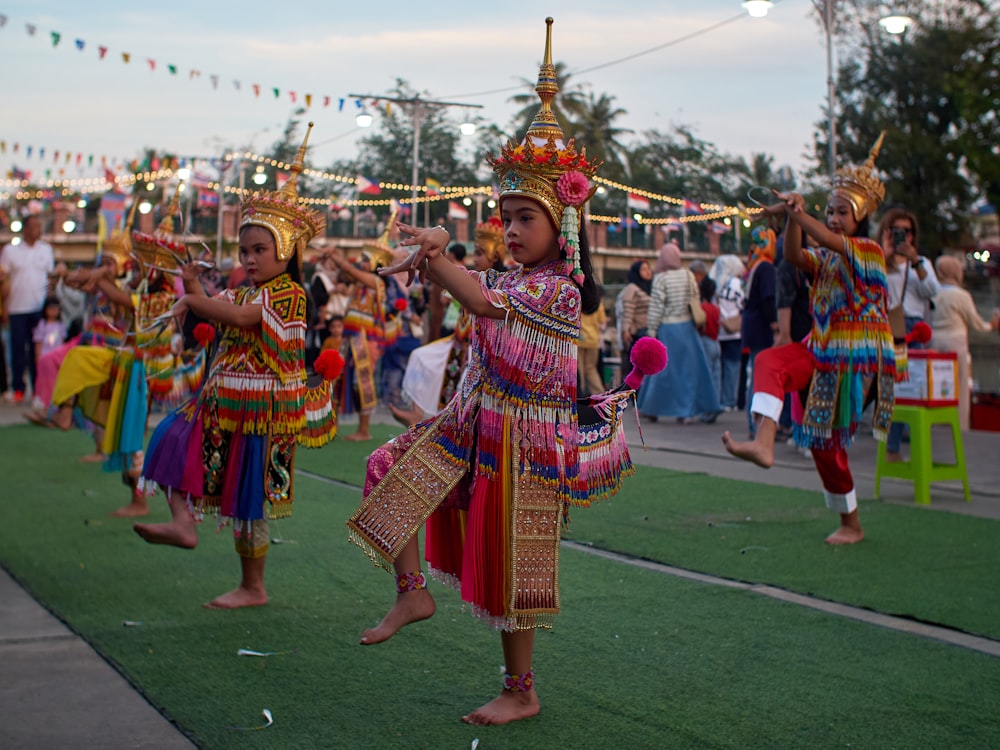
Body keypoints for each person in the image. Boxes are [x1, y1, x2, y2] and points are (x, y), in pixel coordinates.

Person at [347, 19, 634, 726]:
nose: (509, 229)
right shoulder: (512, 277)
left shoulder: (558, 289)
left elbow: (479, 298)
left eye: (524, 217)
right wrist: (432, 260)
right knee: (386, 466)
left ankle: (520, 688)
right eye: (504, 216)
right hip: (475, 423)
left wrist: (439, 251)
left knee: (516, 571)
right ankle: (412, 590)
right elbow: (473, 300)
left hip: (529, 443)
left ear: (561, 224)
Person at [135, 124, 337, 609]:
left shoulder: (288, 294)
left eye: (259, 250)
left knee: (247, 499)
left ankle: (253, 586)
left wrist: (194, 299)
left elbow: (242, 318)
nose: (248, 258)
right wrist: (191, 287)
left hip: (264, 412)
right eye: (245, 251)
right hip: (222, 401)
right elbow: (218, 305)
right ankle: (184, 523)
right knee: (167, 440)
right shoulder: (244, 289)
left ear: (285, 251)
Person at [722, 133, 897, 545]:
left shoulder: (868, 251)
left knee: (827, 445)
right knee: (769, 361)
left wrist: (796, 212)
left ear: (860, 218)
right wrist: (790, 218)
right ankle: (764, 443)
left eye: (841, 212)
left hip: (848, 361)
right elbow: (794, 256)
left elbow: (826, 238)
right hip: (819, 351)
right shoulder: (828, 258)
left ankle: (851, 523)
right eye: (829, 211)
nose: (834, 218)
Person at [391, 216, 508, 426]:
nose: (476, 258)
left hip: (487, 353)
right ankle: (418, 415)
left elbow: (478, 302)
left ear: (495, 254)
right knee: (421, 357)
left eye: (480, 253)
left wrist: (437, 243)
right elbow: (449, 277)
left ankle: (447, 425)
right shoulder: (485, 277)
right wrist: (434, 244)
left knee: (468, 381)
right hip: (459, 344)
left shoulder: (507, 282)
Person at [878, 208, 940, 460]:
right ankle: (890, 448)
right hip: (889, 326)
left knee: (915, 387)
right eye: (896, 231)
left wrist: (915, 262)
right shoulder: (879, 260)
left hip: (913, 327)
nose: (901, 236)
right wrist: (886, 254)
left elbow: (932, 290)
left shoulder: (921, 263)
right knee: (891, 390)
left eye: (906, 232)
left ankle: (919, 446)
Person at [637, 242, 720, 423]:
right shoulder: (688, 275)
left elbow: (657, 306)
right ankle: (686, 412)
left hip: (668, 329)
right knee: (689, 372)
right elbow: (695, 299)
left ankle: (653, 409)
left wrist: (651, 330)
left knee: (662, 372)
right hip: (688, 329)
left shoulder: (661, 278)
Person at [928, 255, 999, 431]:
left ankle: (934, 423)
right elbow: (975, 322)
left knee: (935, 385)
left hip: (933, 341)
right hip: (955, 342)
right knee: (960, 387)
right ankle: (960, 425)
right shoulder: (961, 295)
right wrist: (991, 325)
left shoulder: (931, 292)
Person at [1, 214, 54, 403]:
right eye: (33, 226)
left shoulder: (46, 250)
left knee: (37, 350)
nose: (37, 230)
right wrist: (4, 307)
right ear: (24, 228)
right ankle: (17, 389)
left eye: (40, 226)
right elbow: (3, 280)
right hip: (16, 308)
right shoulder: (10, 250)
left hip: (38, 308)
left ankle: (37, 389)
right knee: (17, 349)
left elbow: (51, 278)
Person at [741, 225, 778, 437]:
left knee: (753, 377)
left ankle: (753, 424)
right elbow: (768, 298)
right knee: (759, 378)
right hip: (762, 330)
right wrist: (776, 324)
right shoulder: (766, 268)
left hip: (752, 328)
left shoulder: (754, 266)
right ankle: (757, 426)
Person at [709, 254, 746, 411]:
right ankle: (730, 400)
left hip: (719, 330)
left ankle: (719, 400)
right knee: (733, 367)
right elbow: (743, 303)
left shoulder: (717, 284)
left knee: (720, 368)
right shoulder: (737, 284)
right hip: (734, 331)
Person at [616, 260, 652, 369]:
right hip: (639, 333)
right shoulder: (632, 288)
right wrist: (626, 330)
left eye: (648, 269)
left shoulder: (649, 288)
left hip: (649, 330)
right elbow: (628, 310)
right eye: (644, 269)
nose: (648, 272)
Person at [577, 286, 607, 397]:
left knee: (579, 369)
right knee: (591, 368)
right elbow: (602, 323)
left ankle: (580, 394)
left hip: (579, 340)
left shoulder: (579, 302)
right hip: (593, 341)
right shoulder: (598, 305)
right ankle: (600, 394)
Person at [33, 297, 66, 369]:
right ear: (46, 310)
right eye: (51, 308)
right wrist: (38, 358)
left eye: (55, 309)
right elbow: (38, 343)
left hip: (57, 358)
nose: (53, 311)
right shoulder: (42, 325)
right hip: (45, 357)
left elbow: (62, 342)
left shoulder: (60, 325)